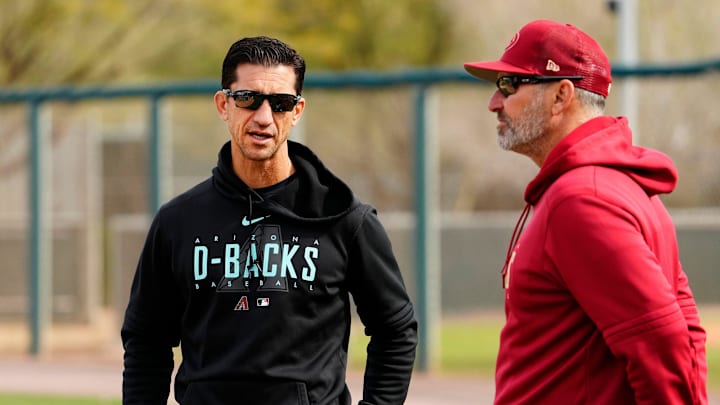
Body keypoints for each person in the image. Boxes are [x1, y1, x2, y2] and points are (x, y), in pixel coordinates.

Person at [121, 36, 418, 405]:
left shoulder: (346, 221)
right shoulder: (177, 221)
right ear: (223, 105)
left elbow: (396, 330)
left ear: (297, 111)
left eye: (280, 103)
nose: (263, 117)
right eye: (247, 99)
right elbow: (146, 341)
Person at [463, 20, 708, 404]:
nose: (494, 101)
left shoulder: (582, 198)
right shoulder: (618, 185)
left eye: (510, 85)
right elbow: (687, 330)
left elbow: (664, 343)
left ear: (561, 96)